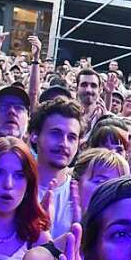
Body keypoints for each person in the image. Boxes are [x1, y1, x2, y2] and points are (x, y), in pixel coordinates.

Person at [21, 148, 129, 260]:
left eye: (118, 185)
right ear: (75, 187)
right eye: (100, 181)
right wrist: (75, 247)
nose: (110, 192)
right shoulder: (41, 257)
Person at [29, 98, 84, 239]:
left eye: (72, 137)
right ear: (34, 136)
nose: (64, 144)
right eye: (55, 133)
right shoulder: (15, 186)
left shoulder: (81, 193)